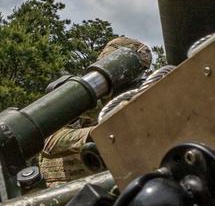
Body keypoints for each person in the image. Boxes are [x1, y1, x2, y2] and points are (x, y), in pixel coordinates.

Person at [39, 36, 152, 186]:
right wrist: (97, 134)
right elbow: (48, 142)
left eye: (142, 70)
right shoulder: (77, 94)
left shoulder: (137, 99)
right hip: (64, 191)